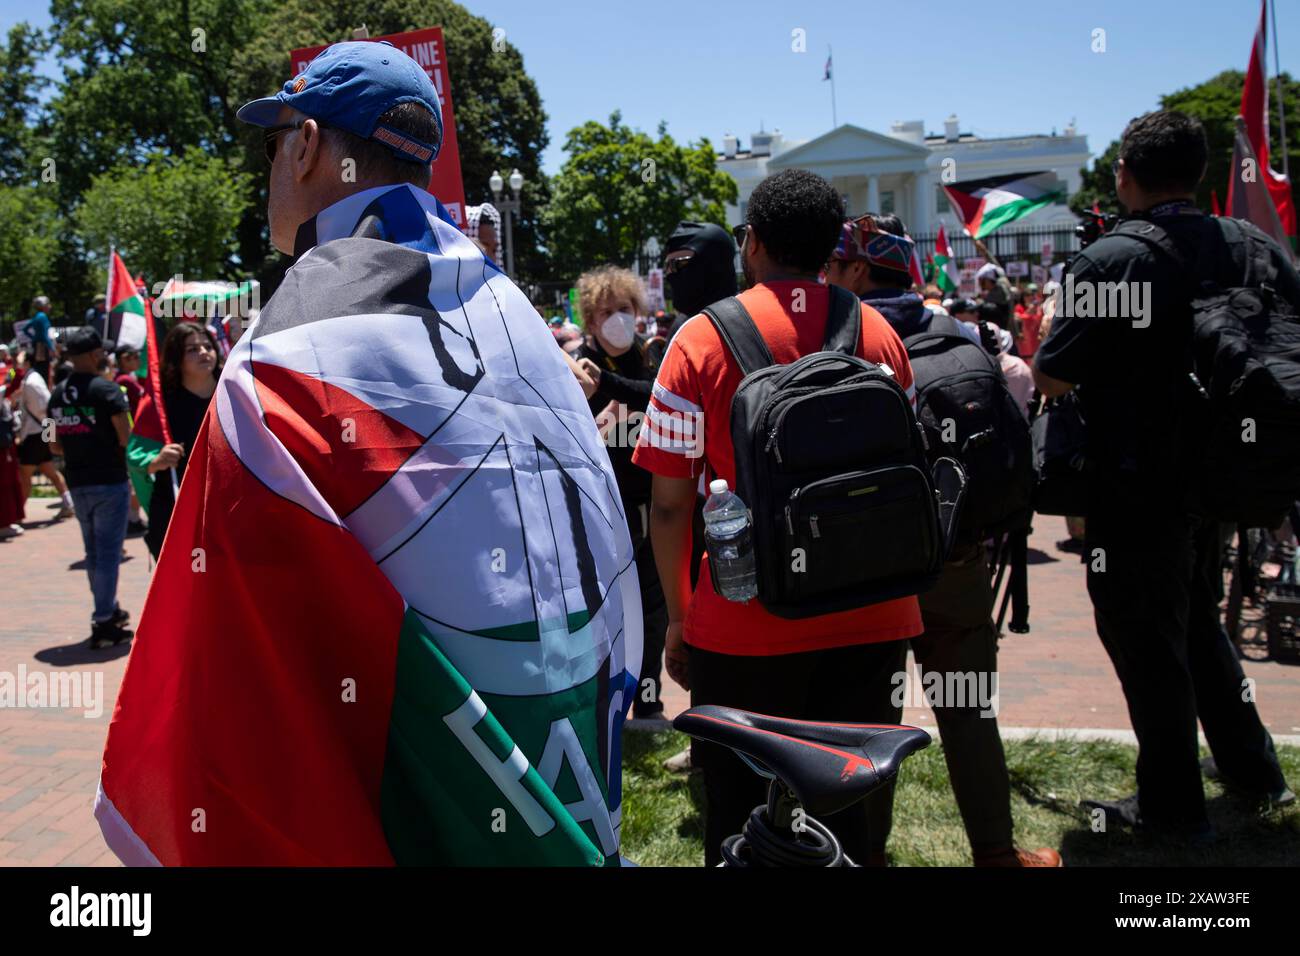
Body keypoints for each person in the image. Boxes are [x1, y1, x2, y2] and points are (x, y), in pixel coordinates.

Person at [98, 40, 638, 866]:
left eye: (275, 142)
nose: (270, 167)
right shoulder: (516, 313)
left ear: (309, 144)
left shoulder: (287, 343)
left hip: (416, 806)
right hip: (567, 746)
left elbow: (235, 663)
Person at [633, 169, 922, 866]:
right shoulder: (877, 331)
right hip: (873, 615)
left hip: (744, 625)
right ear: (832, 247)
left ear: (752, 242)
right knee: (855, 825)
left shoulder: (698, 341)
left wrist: (679, 618)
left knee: (739, 827)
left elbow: (670, 505)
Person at [1034, 110, 1297, 839]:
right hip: (1224, 477)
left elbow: (1052, 376)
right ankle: (1254, 770)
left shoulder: (1113, 258)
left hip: (1138, 485)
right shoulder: (1255, 247)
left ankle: (1172, 808)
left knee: (1147, 643)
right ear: (1200, 173)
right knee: (1197, 628)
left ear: (1126, 173)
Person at [827, 214, 1059, 866]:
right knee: (968, 709)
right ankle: (996, 851)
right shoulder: (958, 332)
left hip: (866, 571)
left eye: (834, 266)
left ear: (856, 272)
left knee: (870, 720)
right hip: (955, 557)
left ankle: (866, 854)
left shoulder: (834, 338)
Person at [571, 265, 667, 721]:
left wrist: (612, 392)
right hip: (601, 511)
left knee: (653, 608)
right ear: (590, 321)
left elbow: (654, 396)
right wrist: (601, 417)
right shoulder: (575, 369)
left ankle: (648, 704)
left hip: (651, 505)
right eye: (606, 312)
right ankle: (605, 707)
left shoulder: (649, 358)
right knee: (607, 609)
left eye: (625, 309)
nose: (617, 319)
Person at [46, 328, 134, 648]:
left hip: (78, 482)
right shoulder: (108, 391)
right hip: (109, 481)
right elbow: (125, 437)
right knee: (109, 554)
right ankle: (104, 618)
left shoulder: (56, 395)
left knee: (94, 553)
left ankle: (107, 608)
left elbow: (52, 445)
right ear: (95, 355)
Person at [127, 322, 221, 559]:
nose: (203, 352)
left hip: (225, 509)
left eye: (207, 346)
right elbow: (136, 454)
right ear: (177, 358)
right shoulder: (160, 404)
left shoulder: (233, 390)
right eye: (191, 349)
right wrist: (156, 459)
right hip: (175, 510)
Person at [15, 349, 74, 518]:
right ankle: (68, 502)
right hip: (38, 433)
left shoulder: (32, 382)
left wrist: (49, 436)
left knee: (24, 474)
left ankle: (18, 512)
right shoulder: (30, 379)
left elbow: (46, 407)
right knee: (49, 471)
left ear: (27, 362)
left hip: (36, 434)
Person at [24, 296, 57, 384]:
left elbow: (25, 329)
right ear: (44, 306)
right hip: (42, 347)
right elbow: (44, 335)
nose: (50, 306)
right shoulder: (42, 317)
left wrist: (33, 338)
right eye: (48, 304)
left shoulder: (36, 316)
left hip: (37, 346)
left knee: (38, 368)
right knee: (43, 371)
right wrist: (52, 348)